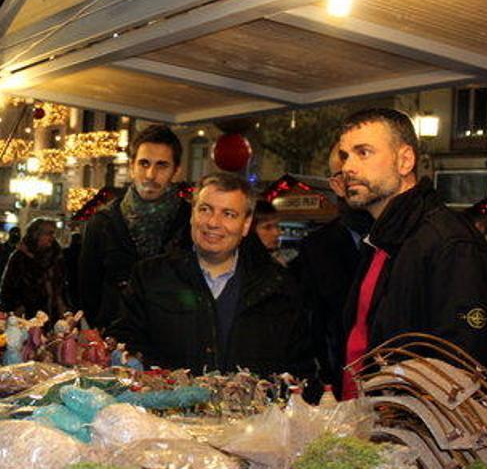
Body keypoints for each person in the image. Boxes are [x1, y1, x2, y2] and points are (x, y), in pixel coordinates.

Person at [337, 108, 487, 399]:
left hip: (418, 437)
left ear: (405, 160)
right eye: (345, 155)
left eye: (363, 153)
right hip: (369, 427)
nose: (348, 167)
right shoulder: (381, 240)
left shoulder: (449, 242)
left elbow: (463, 365)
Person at [110, 173, 315, 379]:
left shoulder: (279, 288)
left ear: (245, 225)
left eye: (228, 214)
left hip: (254, 411)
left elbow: (299, 371)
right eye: (205, 209)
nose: (213, 223)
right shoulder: (149, 278)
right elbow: (125, 352)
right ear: (192, 215)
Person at [79, 125, 190, 329]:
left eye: (162, 165)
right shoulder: (103, 222)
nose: (150, 174)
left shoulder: (192, 222)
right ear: (132, 167)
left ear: (176, 171)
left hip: (173, 340)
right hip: (115, 340)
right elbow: (88, 289)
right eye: (144, 163)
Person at [297, 142, 373, 398]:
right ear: (336, 184)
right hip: (340, 390)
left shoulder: (410, 241)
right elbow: (312, 325)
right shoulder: (316, 249)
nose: (357, 178)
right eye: (347, 174)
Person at [0, 218, 69, 323]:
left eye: (53, 234)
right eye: (48, 234)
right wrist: (15, 309)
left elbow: (61, 286)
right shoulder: (20, 257)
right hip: (27, 316)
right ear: (36, 235)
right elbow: (7, 287)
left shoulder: (55, 257)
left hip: (52, 315)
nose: (52, 238)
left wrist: (64, 309)